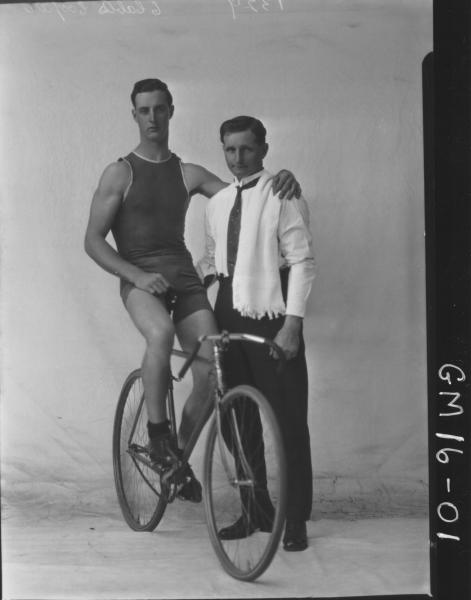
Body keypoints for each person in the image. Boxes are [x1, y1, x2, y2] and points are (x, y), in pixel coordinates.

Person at [84, 79, 301, 502]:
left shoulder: (188, 174)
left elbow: (247, 195)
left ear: (170, 111)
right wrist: (137, 275)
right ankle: (159, 438)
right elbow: (92, 241)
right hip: (141, 279)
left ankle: (176, 461)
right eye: (144, 110)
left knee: (211, 368)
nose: (152, 117)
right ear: (134, 115)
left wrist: (283, 181)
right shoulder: (120, 172)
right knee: (160, 336)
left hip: (184, 279)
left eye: (159, 109)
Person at [198, 115, 315, 551]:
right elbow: (212, 261)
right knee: (236, 418)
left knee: (287, 422)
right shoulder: (217, 201)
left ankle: (296, 518)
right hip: (226, 313)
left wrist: (292, 325)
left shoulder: (282, 193)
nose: (238, 158)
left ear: (263, 149)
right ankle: (255, 509)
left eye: (247, 149)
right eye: (230, 150)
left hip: (271, 315)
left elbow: (302, 261)